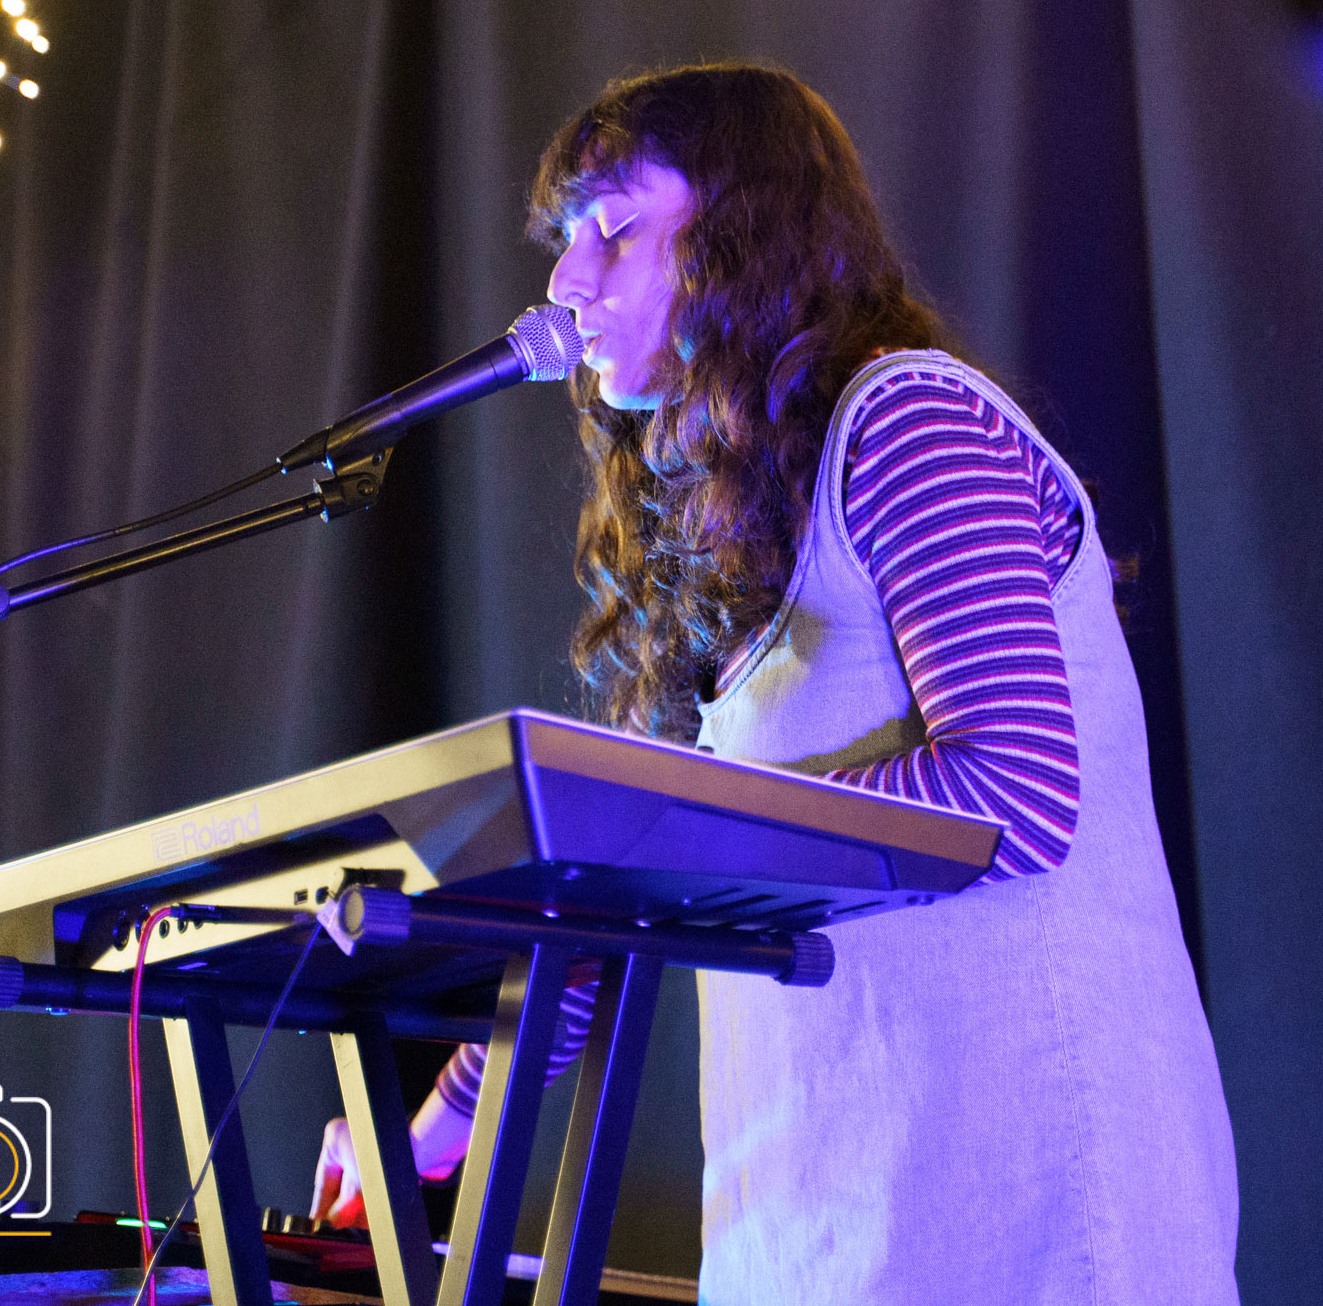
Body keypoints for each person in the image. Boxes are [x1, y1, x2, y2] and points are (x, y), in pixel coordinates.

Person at [311, 64, 1240, 1304]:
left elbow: (1015, 792)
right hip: (820, 1214)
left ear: (747, 231)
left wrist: (667, 842)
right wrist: (436, 1128)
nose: (566, 284)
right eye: (565, 242)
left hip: (1025, 1192)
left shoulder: (911, 420)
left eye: (614, 229)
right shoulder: (743, 521)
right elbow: (635, 910)